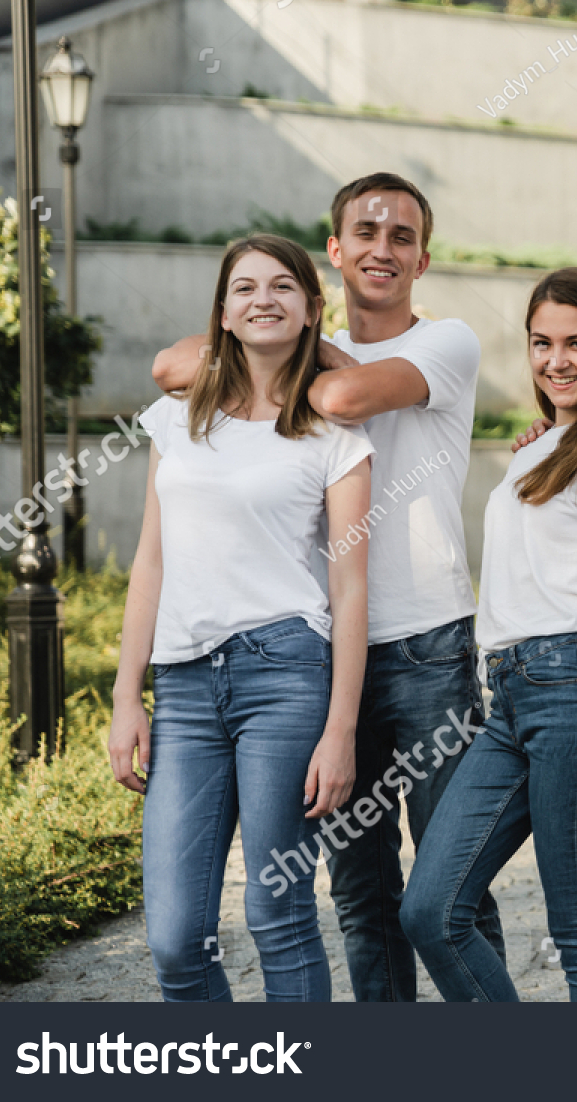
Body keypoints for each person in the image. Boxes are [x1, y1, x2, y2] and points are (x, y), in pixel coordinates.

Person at [151, 172, 503, 1001]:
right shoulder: (291, 330)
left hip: (427, 649)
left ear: (423, 257)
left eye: (402, 236)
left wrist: (302, 344)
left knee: (452, 895)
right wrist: (285, 329)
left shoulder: (443, 342)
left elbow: (344, 394)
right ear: (336, 252)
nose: (384, 248)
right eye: (365, 233)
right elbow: (170, 365)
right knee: (359, 894)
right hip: (317, 658)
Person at [110, 234, 375, 1001]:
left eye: (284, 287)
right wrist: (129, 696)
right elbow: (150, 562)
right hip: (186, 688)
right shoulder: (175, 419)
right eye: (246, 288)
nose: (265, 299)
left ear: (310, 311)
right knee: (173, 939)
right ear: (222, 313)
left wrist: (341, 729)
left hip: (286, 678)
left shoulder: (335, 437)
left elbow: (350, 588)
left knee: (277, 911)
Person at [399, 268, 577, 1002]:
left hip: (576, 696)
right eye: (543, 343)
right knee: (430, 910)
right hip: (506, 701)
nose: (558, 360)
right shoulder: (539, 449)